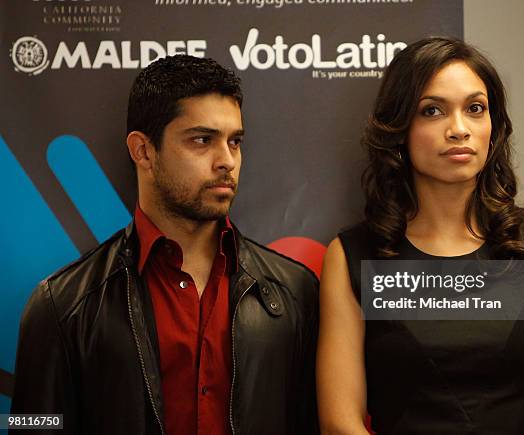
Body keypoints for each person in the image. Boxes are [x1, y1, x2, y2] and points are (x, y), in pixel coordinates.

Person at [11, 55, 319, 435]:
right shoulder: (61, 305)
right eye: (202, 140)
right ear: (143, 151)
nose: (227, 161)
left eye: (235, 141)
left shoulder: (296, 291)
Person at [317, 37, 524, 434]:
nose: (459, 129)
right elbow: (339, 423)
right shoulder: (351, 257)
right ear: (400, 128)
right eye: (432, 111)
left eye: (475, 109)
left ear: (493, 126)